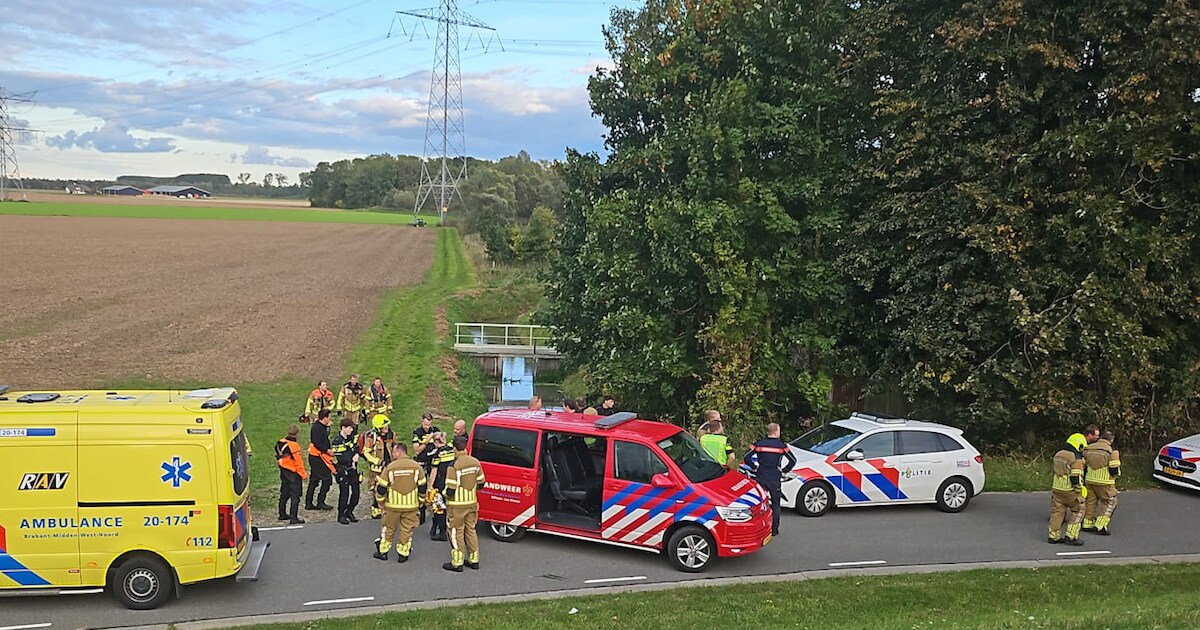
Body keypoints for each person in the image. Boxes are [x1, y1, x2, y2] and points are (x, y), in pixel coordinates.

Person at [373, 443, 425, 563]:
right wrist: (421, 501)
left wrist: (380, 501)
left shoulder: (391, 467)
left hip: (392, 506)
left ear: (399, 452)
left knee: (388, 528)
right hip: (411, 505)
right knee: (407, 529)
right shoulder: (417, 467)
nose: (392, 454)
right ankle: (403, 554)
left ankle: (383, 552)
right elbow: (422, 486)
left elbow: (381, 488)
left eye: (393, 452)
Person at [745, 423, 797, 537]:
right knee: (776, 504)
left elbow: (746, 457)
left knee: (758, 503)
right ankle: (774, 529)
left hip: (761, 476)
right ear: (776, 432)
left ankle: (757, 529)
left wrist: (754, 467)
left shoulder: (758, 444)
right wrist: (784, 470)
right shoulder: (782, 446)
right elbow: (793, 460)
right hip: (774, 478)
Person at [443, 435, 485, 572]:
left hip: (457, 506)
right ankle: (474, 559)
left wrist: (443, 495)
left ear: (455, 449)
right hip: (472, 503)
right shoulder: (475, 462)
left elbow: (450, 490)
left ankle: (457, 562)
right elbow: (481, 483)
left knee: (456, 532)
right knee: (471, 530)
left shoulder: (453, 466)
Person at [1048, 433, 1087, 546]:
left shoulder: (1058, 454)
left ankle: (1053, 536)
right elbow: (1075, 477)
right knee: (1079, 510)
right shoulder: (1076, 458)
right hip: (1069, 490)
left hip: (1056, 488)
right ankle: (1071, 536)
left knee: (1057, 512)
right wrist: (1079, 490)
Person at [1082, 430, 1121, 535]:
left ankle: (1087, 523)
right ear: (1111, 440)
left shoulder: (1088, 449)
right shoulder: (1111, 451)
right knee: (1110, 502)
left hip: (1089, 480)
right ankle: (1100, 525)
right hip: (1105, 481)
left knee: (1090, 502)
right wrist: (1116, 476)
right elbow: (1114, 469)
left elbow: (1082, 465)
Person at [361, 414, 396, 519]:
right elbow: (366, 452)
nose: (386, 429)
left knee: (390, 485)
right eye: (384, 427)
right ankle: (376, 508)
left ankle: (388, 506)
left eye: (387, 426)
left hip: (389, 465)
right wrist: (377, 461)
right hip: (376, 468)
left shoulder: (391, 435)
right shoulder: (371, 437)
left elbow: (395, 447)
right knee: (376, 488)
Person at [425, 432, 454, 541]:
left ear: (436, 442)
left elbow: (434, 472)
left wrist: (429, 487)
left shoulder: (438, 454)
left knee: (439, 508)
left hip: (440, 484)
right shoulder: (452, 449)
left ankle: (442, 532)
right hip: (451, 483)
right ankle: (445, 528)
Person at [274, 424, 307, 524]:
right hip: (293, 473)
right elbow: (298, 462)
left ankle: (282, 513)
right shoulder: (294, 446)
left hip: (283, 471)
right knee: (295, 496)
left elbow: (277, 454)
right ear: (297, 434)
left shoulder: (281, 442)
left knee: (284, 493)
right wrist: (304, 475)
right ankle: (294, 517)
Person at [331, 418, 361, 524]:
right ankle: (341, 515)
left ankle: (350, 511)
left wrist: (356, 454)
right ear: (343, 428)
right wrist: (352, 458)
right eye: (349, 428)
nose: (351, 430)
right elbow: (341, 457)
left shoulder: (351, 438)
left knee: (356, 493)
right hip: (343, 470)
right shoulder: (337, 441)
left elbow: (357, 448)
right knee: (344, 494)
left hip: (353, 470)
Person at [412, 412, 440, 524]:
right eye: (425, 424)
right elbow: (417, 450)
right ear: (422, 422)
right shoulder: (417, 432)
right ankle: (421, 510)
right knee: (421, 486)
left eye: (428, 425)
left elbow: (441, 443)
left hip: (434, 462)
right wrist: (426, 441)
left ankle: (436, 510)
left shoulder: (435, 430)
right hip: (422, 462)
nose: (427, 427)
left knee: (434, 486)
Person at [305, 409, 335, 510]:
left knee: (314, 479)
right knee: (327, 479)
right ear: (325, 417)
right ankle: (320, 502)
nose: (330, 419)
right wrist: (327, 450)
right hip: (317, 457)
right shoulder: (318, 428)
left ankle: (308, 502)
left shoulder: (321, 427)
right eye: (329, 417)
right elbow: (317, 443)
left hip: (316, 456)